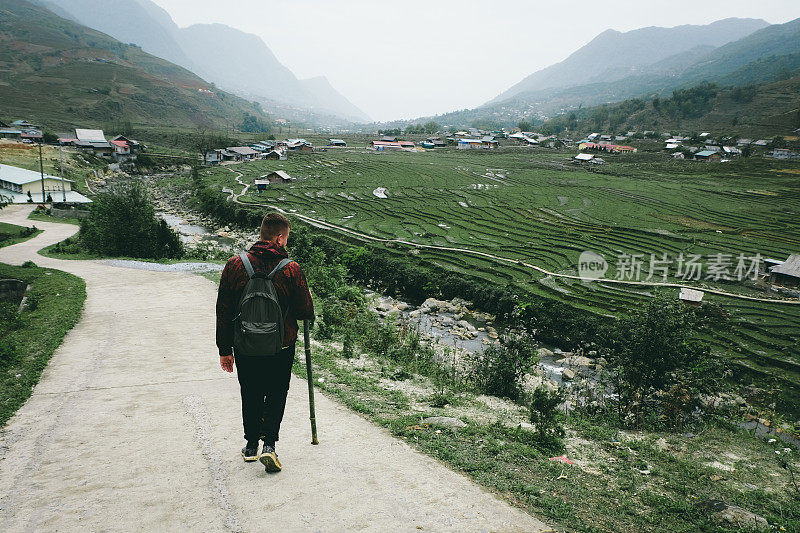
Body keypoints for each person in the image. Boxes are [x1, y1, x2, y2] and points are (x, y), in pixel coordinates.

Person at [216, 212, 314, 472]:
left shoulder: (235, 265)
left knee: (250, 391)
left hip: (245, 344)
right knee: (276, 392)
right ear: (280, 238)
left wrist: (224, 350)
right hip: (281, 344)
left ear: (262, 234)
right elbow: (305, 311)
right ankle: (269, 445)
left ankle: (250, 446)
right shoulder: (291, 268)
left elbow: (223, 310)